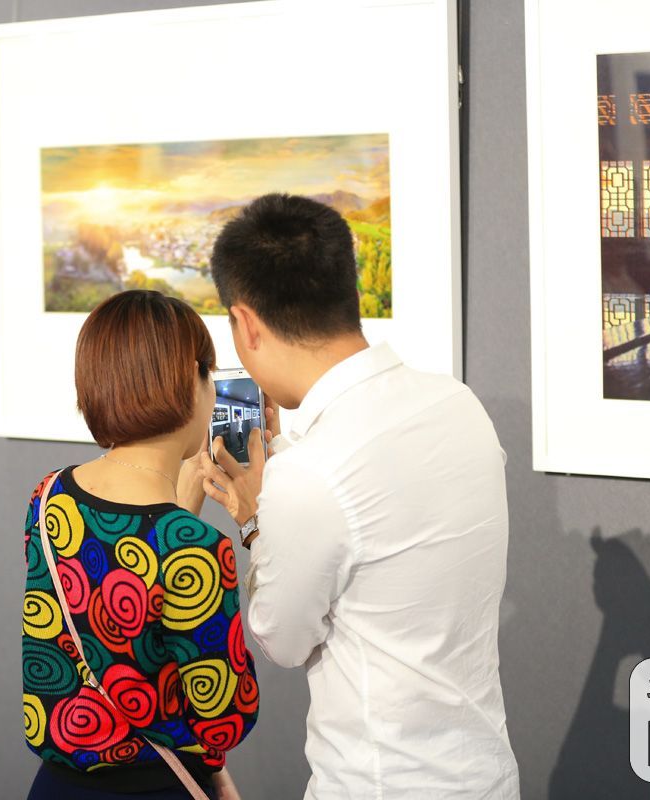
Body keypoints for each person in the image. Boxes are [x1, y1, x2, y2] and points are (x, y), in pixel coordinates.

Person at [194, 194, 520, 799]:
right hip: (483, 775)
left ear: (246, 323)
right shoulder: (458, 403)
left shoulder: (309, 475)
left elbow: (281, 639)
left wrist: (256, 522)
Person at [22, 290, 259, 800]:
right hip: (155, 789)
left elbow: (115, 613)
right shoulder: (196, 547)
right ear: (192, 380)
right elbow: (225, 719)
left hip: (56, 787)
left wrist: (183, 500)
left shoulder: (50, 496)